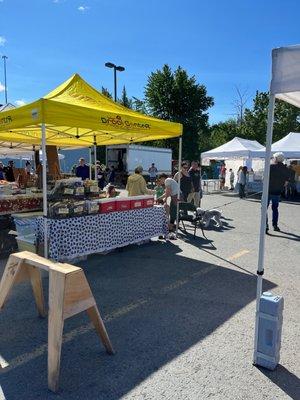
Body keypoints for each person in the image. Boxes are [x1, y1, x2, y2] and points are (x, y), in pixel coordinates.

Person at [266, 152, 290, 233]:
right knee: (275, 209)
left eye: (273, 158)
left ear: (275, 159)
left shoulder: (270, 167)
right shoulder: (286, 169)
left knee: (264, 209)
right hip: (277, 192)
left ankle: (265, 225)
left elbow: (264, 179)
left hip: (268, 191)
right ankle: (275, 225)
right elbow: (286, 183)